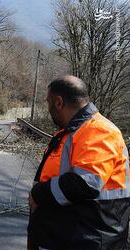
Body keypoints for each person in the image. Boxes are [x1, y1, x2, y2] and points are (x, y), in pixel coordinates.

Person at [27, 75, 130, 250]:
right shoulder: (70, 132)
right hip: (65, 235)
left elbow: (85, 183)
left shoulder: (98, 130)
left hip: (89, 239)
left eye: (48, 102)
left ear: (59, 102)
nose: (48, 108)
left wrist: (38, 193)